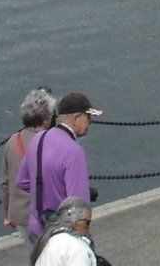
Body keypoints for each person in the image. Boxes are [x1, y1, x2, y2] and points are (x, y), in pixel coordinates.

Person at [16, 92, 99, 253]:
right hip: (63, 237)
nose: (90, 122)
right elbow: (79, 206)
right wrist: (86, 242)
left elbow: (22, 181)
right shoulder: (74, 152)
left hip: (37, 230)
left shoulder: (39, 139)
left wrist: (51, 191)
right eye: (88, 117)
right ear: (77, 118)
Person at [1, 88, 57, 247]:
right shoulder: (51, 142)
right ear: (46, 118)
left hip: (19, 214)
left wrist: (7, 213)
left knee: (34, 255)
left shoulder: (12, 141)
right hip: (46, 214)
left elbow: (5, 182)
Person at [32, 197, 98, 265]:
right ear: (75, 220)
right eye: (88, 222)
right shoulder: (77, 248)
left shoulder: (47, 239)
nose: (88, 228)